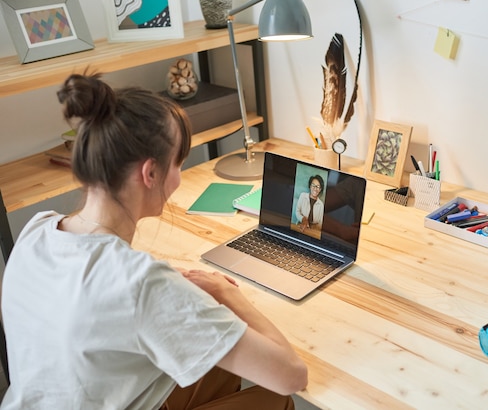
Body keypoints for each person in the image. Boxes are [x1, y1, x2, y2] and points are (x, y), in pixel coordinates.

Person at [0, 73, 307, 409]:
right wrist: (227, 293)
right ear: (150, 174)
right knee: (276, 397)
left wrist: (170, 289)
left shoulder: (37, 230)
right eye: (178, 163)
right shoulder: (142, 283)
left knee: (216, 367)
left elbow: (96, 296)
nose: (178, 176)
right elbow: (291, 375)